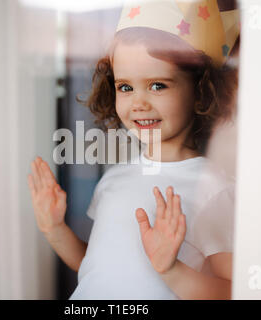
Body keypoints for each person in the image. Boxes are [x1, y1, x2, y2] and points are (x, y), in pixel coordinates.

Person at [27, 0, 239, 299]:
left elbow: (235, 292)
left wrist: (171, 269)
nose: (138, 103)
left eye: (157, 85)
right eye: (125, 87)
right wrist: (54, 228)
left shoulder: (214, 189)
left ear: (200, 90)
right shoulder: (114, 177)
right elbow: (97, 267)